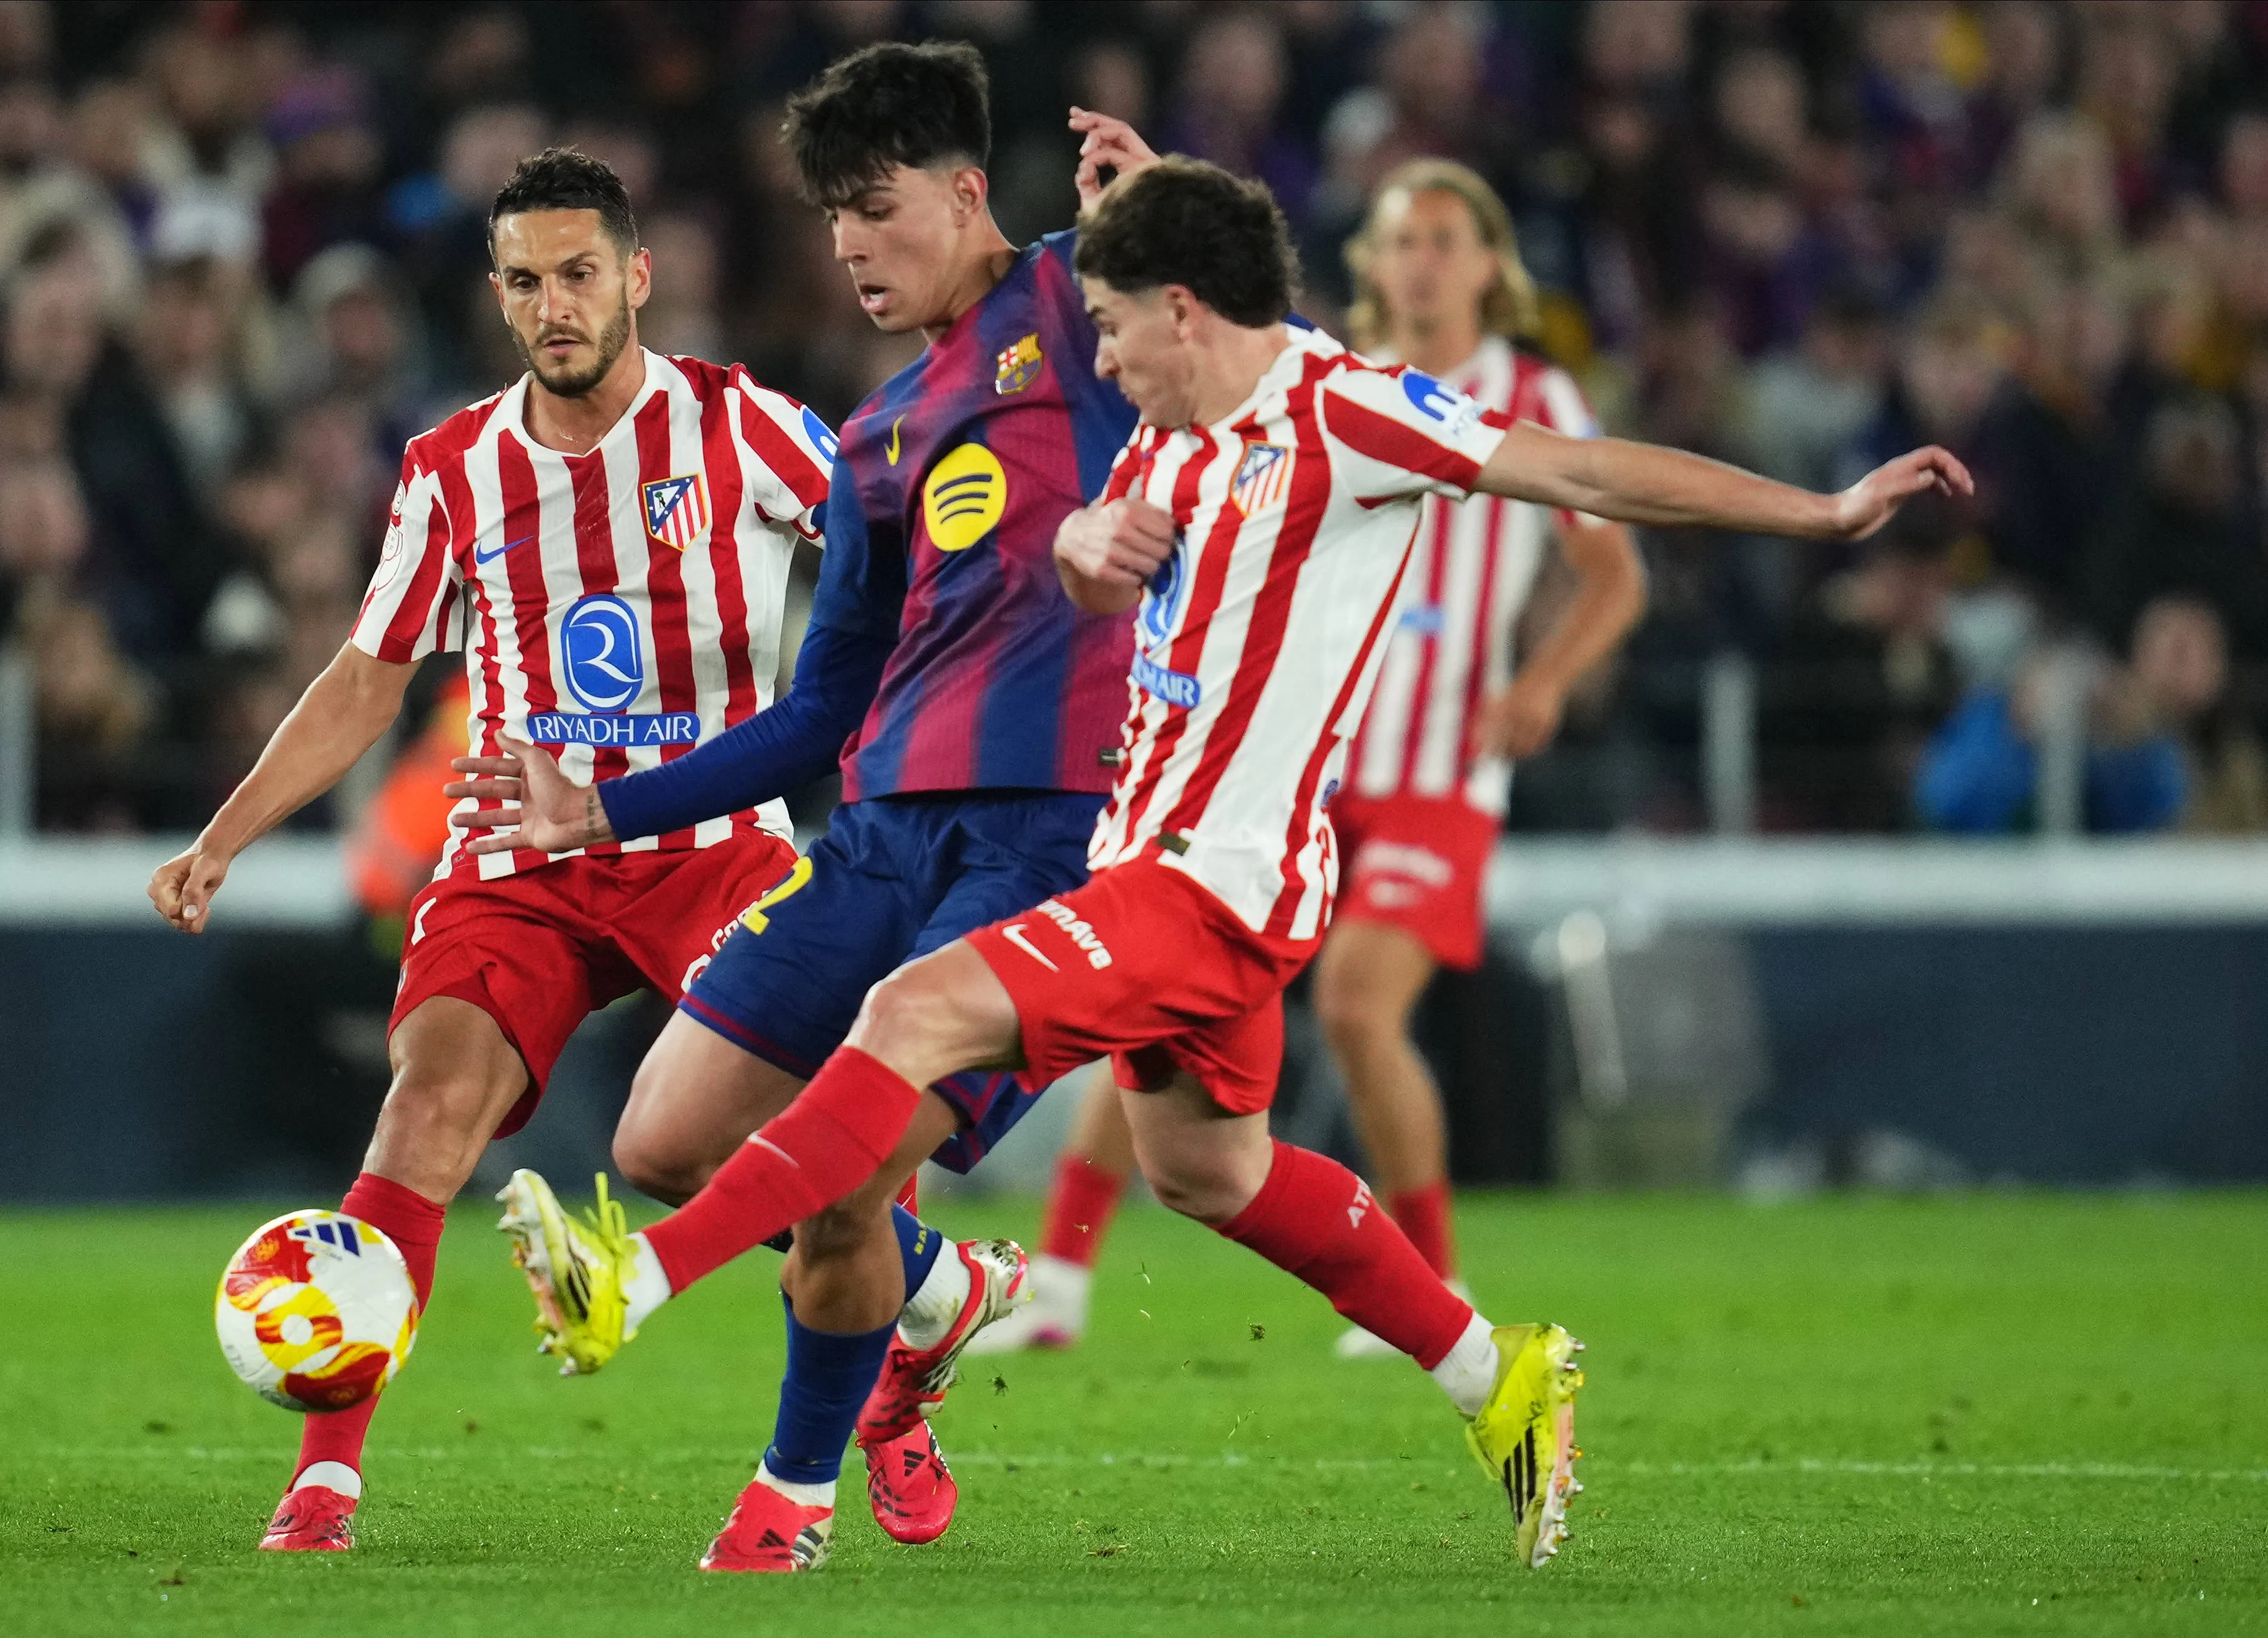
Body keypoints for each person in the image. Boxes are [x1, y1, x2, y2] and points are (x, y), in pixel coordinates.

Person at [471, 157, 1971, 1569]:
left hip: (1211, 879)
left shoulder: (1350, 412)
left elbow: (1577, 465)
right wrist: (1078, 555)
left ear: (1184, 309)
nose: (1102, 360)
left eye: (1115, 329)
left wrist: (1819, 510)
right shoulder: (1180, 453)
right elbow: (1104, 563)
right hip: (1164, 864)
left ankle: (644, 1276)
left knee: (908, 1016)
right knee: (1210, 1170)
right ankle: (1491, 1372)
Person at [448, 44, 1163, 1570]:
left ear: (966, 193)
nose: (846, 242)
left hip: (1045, 840)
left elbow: (1260, 342)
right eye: (828, 214)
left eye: (875, 205)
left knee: (851, 1156)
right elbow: (819, 714)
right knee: (663, 1133)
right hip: (874, 838)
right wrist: (606, 809)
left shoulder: (1078, 310)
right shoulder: (876, 439)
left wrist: (1164, 218)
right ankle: (933, 1296)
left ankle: (791, 1498)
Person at [144, 147, 833, 1554]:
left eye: (579, 274)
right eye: (524, 281)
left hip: (710, 840)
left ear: (636, 275)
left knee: (716, 1152)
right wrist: (221, 838)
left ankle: (912, 1310)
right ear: (497, 297)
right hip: (519, 853)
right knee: (422, 1105)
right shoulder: (451, 469)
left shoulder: (742, 425)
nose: (553, 305)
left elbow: (891, 564)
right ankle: (324, 1481)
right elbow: (363, 679)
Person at [972, 158, 1648, 1359]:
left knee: (1353, 1004)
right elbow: (1214, 326)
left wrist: (1540, 680)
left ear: (1491, 265)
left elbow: (1610, 562)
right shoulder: (1324, 375)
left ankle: (1424, 1287)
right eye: (1402, 239)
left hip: (1439, 767)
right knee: (1151, 1004)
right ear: (1371, 262)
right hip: (1295, 772)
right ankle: (1063, 1280)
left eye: (1447, 239)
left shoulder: (1528, 386)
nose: (1422, 262)